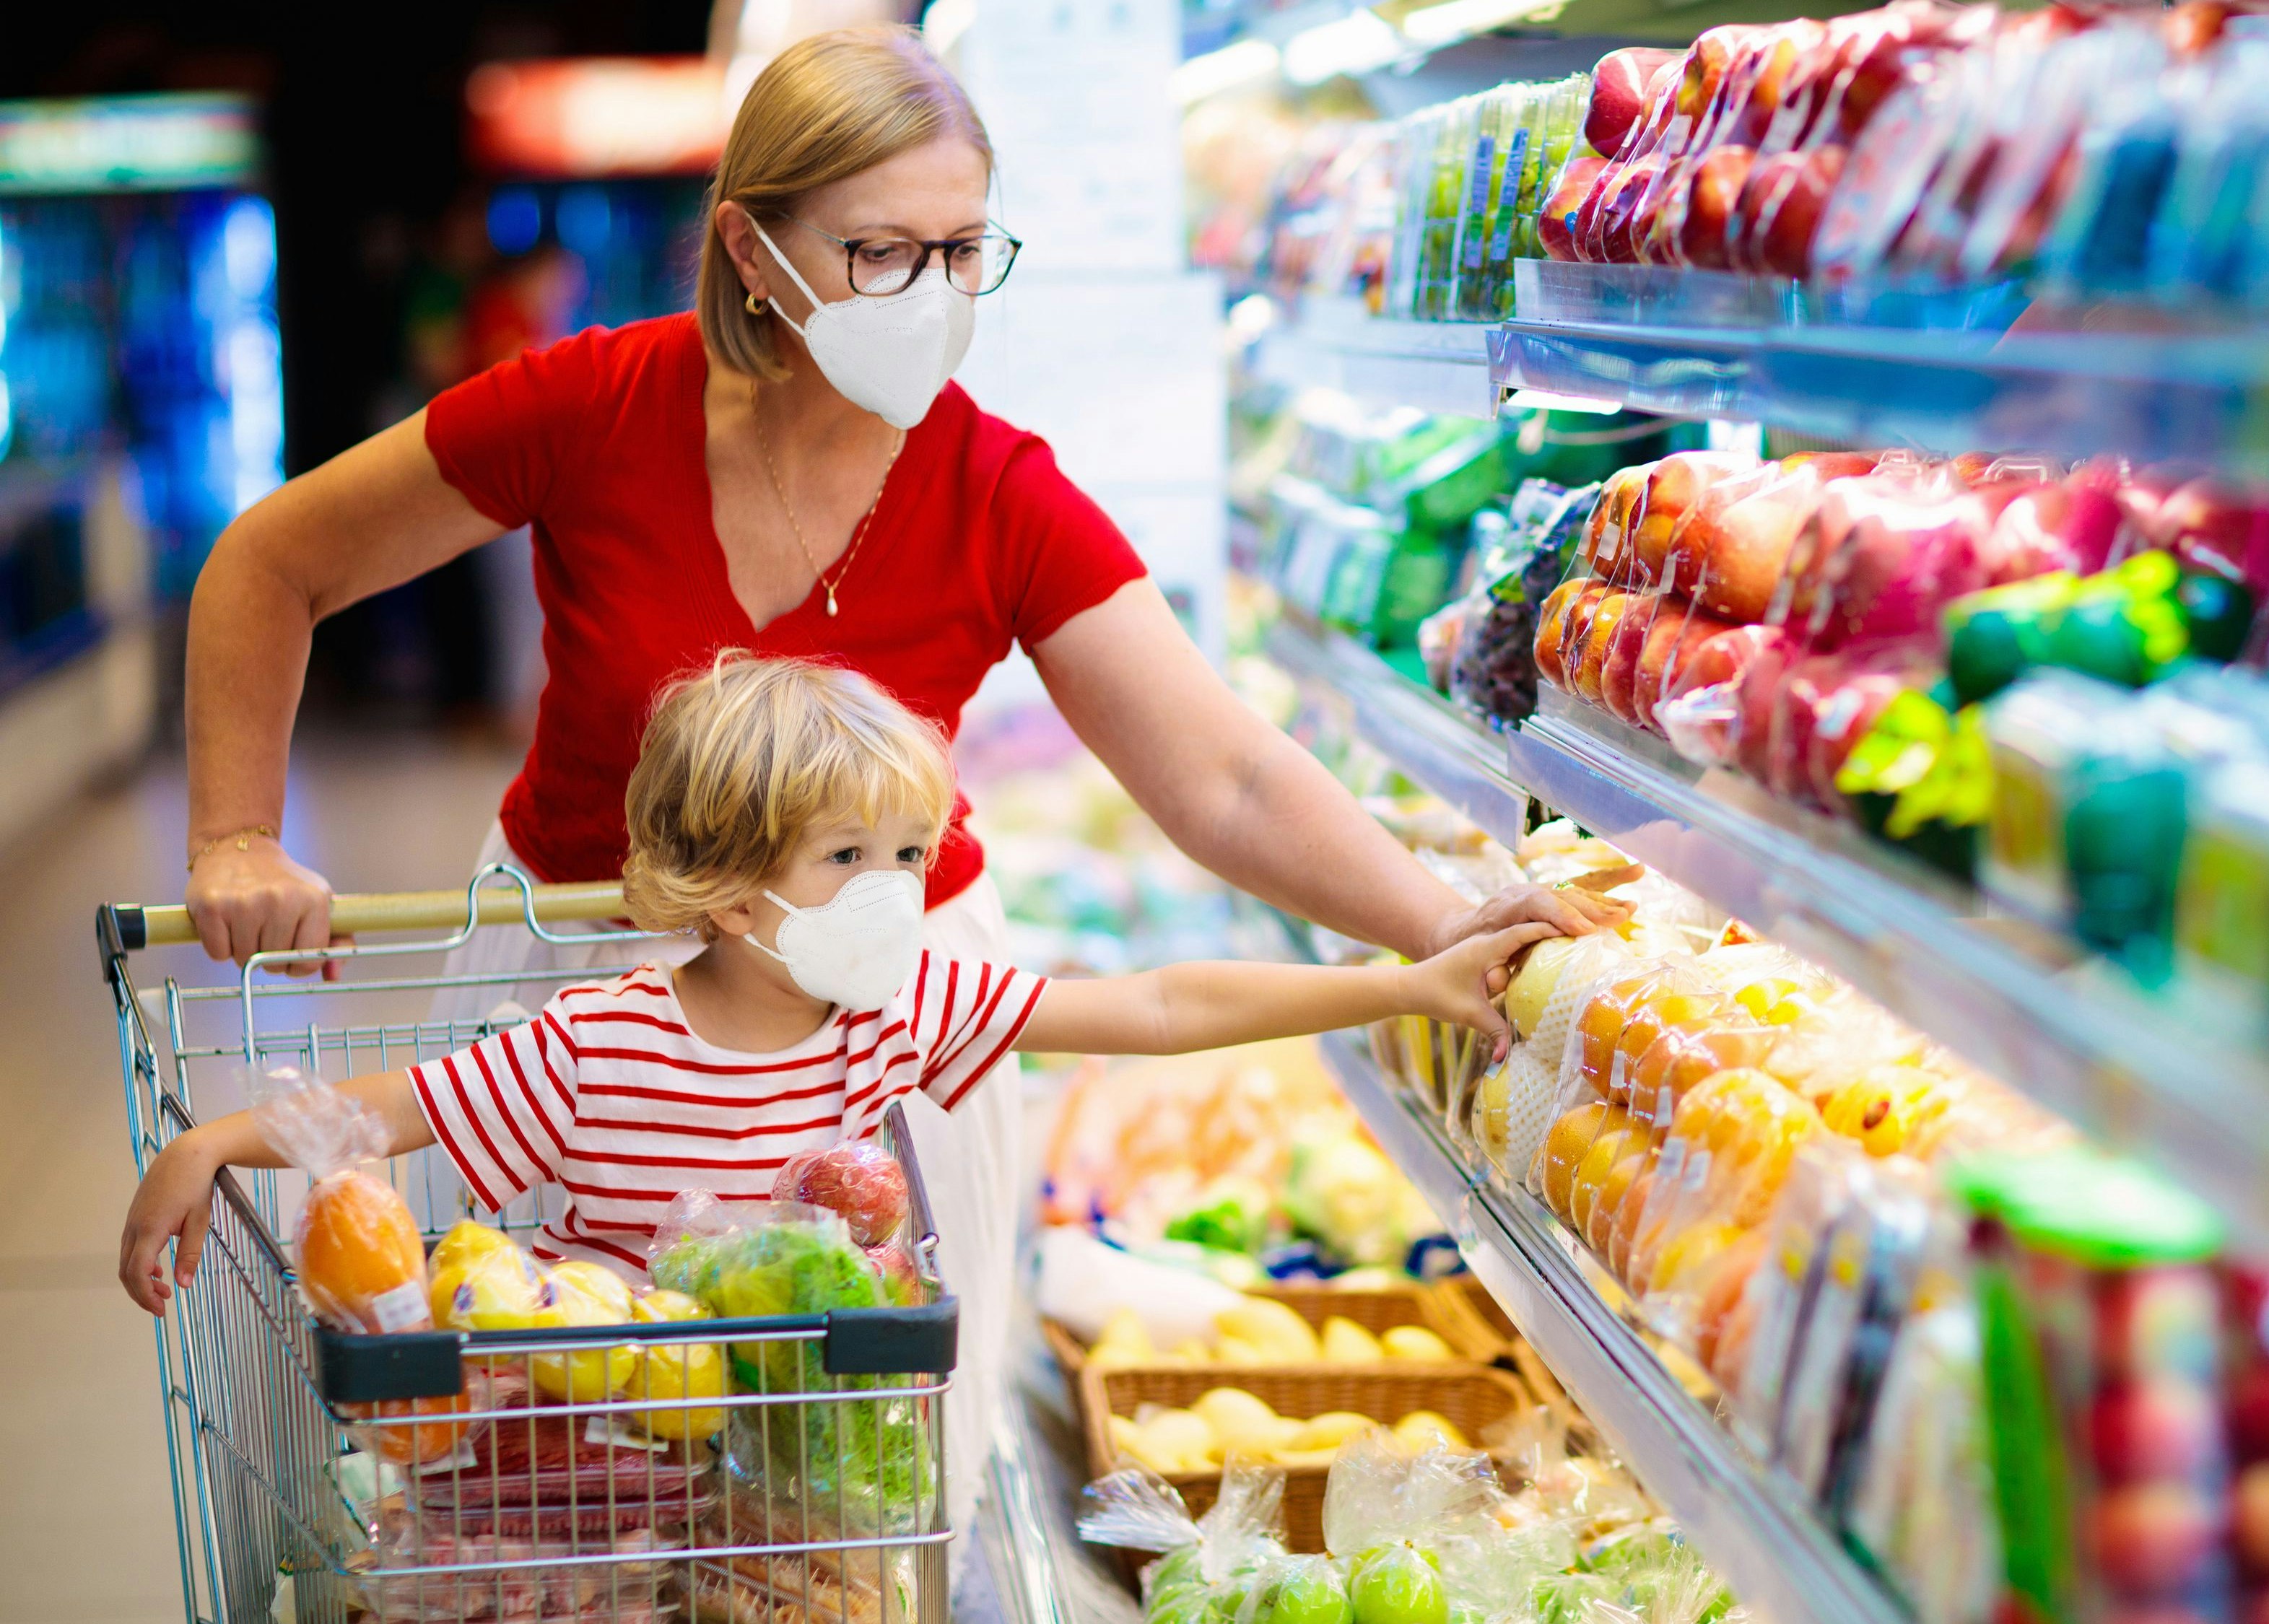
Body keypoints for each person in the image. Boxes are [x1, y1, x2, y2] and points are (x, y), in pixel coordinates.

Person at [167, 24, 1611, 1537]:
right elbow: (273, 563)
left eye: (962, 251)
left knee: (857, 1492)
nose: (931, 295)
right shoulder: (591, 406)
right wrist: (236, 833)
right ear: (750, 250)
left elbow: (1227, 778)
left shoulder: (996, 488)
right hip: (585, 998)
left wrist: (1440, 925)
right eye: (879, 252)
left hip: (880, 1014)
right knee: (566, 1448)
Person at [122, 653, 1549, 1301]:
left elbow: (1165, 1006)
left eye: (910, 855)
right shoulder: (595, 1043)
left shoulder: (899, 1009)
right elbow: (393, 1111)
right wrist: (209, 1143)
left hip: (816, 1476)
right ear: (731, 891)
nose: (894, 892)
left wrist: (1406, 980)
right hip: (612, 1457)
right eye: (847, 858)